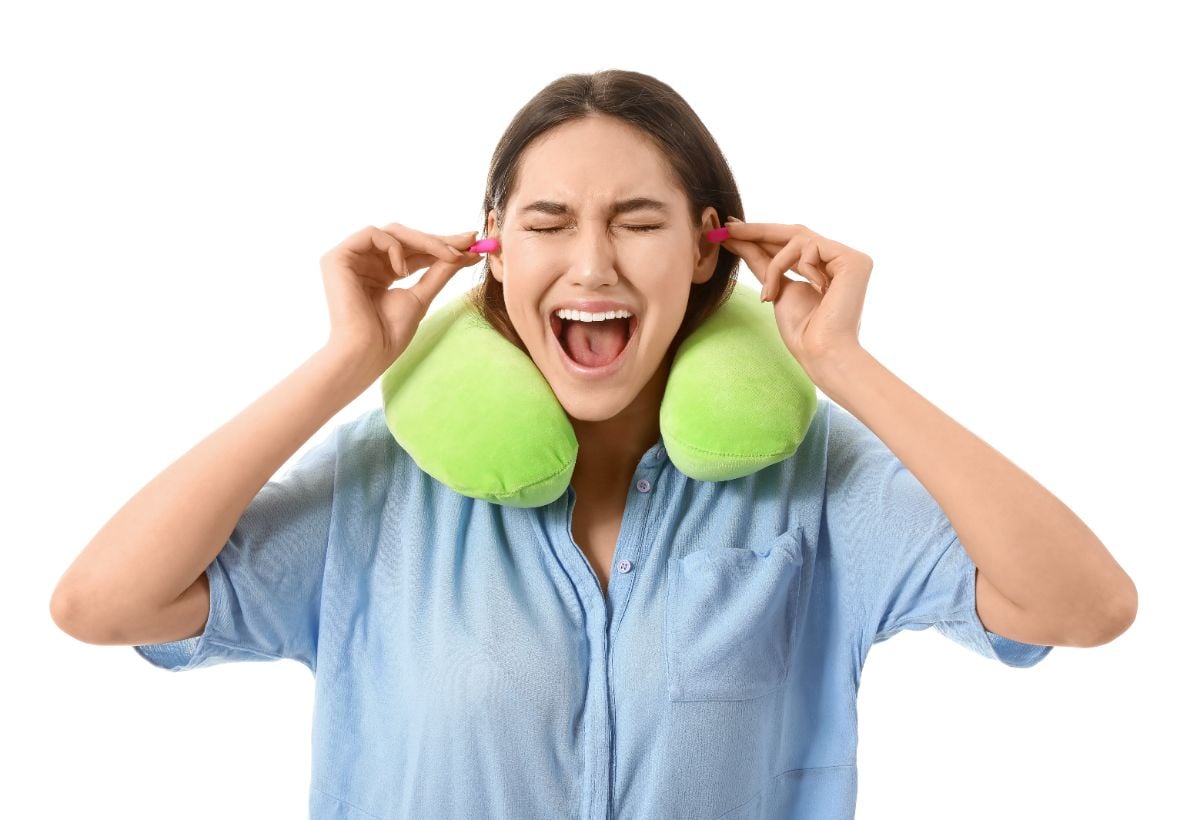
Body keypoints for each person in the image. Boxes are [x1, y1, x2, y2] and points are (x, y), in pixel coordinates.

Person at [49, 69, 1135, 819]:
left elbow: (1082, 605)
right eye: (549, 221)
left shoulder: (812, 486)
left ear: (710, 251)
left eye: (639, 220)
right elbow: (103, 604)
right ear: (493, 250)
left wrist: (841, 363)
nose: (592, 263)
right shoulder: (385, 484)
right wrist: (346, 362)